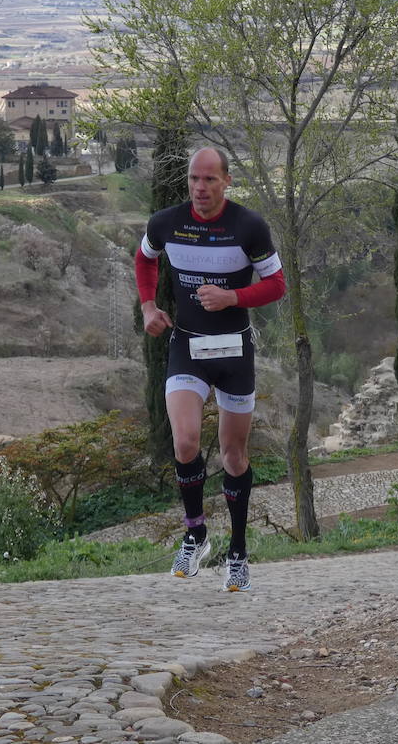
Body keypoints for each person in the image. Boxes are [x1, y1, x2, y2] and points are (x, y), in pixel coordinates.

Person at [135, 146, 286, 591]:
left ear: (227, 181)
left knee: (233, 455)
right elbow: (145, 259)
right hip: (188, 346)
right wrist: (148, 306)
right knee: (184, 442)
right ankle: (196, 532)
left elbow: (276, 285)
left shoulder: (248, 226)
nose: (200, 189)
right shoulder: (166, 222)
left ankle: (237, 551)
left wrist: (232, 298)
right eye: (194, 180)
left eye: (210, 180)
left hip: (234, 350)